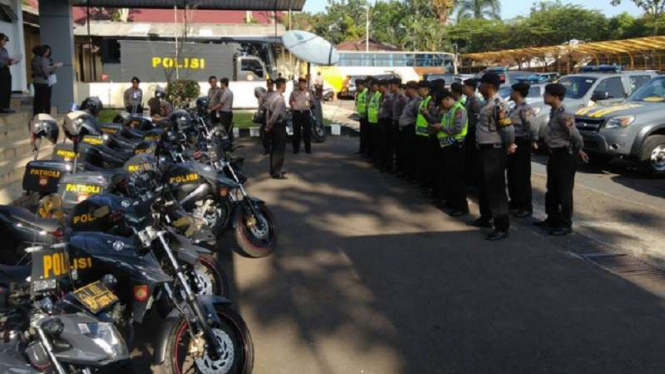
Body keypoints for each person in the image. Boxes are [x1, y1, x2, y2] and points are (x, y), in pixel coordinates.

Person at [535, 83, 588, 236]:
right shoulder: (553, 112)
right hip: (554, 154)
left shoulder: (564, 114)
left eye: (546, 94)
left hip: (565, 155)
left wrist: (578, 150)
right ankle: (552, 218)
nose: (544, 96)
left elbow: (575, 136)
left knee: (564, 191)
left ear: (555, 96)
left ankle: (565, 224)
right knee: (552, 188)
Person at [468, 72, 516, 241]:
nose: (478, 86)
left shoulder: (498, 105)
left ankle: (502, 226)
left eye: (481, 84)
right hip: (484, 150)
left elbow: (508, 129)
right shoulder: (487, 103)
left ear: (488, 85)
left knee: (496, 190)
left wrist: (509, 144)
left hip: (494, 151)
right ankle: (486, 217)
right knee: (484, 185)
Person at [429, 89, 469, 217]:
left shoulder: (459, 110)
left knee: (456, 177)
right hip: (446, 145)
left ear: (448, 99)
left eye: (442, 103)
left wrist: (441, 127)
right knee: (449, 176)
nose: (441, 106)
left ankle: (461, 206)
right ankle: (451, 202)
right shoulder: (448, 110)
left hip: (455, 146)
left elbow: (457, 128)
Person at [507, 82, 538, 218]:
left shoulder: (525, 108)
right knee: (513, 174)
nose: (510, 93)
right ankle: (515, 202)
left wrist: (534, 140)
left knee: (522, 175)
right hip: (513, 142)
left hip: (522, 142)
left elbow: (532, 125)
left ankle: (525, 206)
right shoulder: (515, 108)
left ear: (517, 92)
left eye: (512, 90)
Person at [398, 81, 421, 180]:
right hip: (405, 129)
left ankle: (411, 174)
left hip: (411, 129)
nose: (406, 91)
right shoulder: (409, 100)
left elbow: (417, 116)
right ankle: (406, 172)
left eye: (408, 88)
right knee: (405, 151)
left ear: (414, 89)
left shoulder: (417, 101)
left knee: (411, 152)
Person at [266, 78, 288, 179]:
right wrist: (269, 125)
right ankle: (277, 172)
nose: (286, 86)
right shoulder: (279, 99)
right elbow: (275, 114)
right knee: (279, 150)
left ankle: (273, 169)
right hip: (278, 125)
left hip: (274, 126)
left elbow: (267, 112)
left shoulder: (272, 96)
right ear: (281, 85)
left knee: (274, 149)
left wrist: (268, 124)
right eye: (285, 84)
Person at [31, 45, 62, 116]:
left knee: (37, 99)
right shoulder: (43, 60)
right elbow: (46, 72)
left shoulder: (34, 59)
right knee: (45, 100)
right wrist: (55, 66)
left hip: (36, 81)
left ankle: (36, 114)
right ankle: (45, 114)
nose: (47, 53)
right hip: (44, 81)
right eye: (46, 51)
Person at [463, 79, 481, 190]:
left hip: (473, 132)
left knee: (472, 158)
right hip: (468, 131)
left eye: (465, 86)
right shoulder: (468, 100)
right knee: (468, 158)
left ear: (470, 88)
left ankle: (473, 183)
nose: (463, 88)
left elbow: (477, 118)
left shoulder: (475, 101)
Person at [414, 81, 433, 185]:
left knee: (426, 161)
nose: (418, 90)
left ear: (426, 89)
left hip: (426, 135)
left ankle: (426, 182)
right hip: (421, 134)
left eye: (419, 88)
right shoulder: (423, 101)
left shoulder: (430, 101)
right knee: (421, 159)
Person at [289, 77, 315, 154]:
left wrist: (309, 105)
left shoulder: (308, 93)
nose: (302, 85)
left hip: (305, 113)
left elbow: (312, 101)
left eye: (303, 83)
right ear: (298, 84)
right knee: (296, 132)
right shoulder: (294, 93)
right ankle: (296, 149)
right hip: (296, 113)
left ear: (305, 84)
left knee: (307, 132)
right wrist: (292, 105)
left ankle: (308, 149)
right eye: (300, 83)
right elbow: (290, 101)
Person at [391, 80, 408, 175]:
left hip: (400, 124)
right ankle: (397, 166)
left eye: (392, 85)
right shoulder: (394, 96)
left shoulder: (402, 98)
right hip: (395, 122)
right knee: (396, 147)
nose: (390, 87)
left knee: (401, 147)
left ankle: (400, 168)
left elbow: (404, 112)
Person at [378, 79, 394, 171]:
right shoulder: (382, 96)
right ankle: (382, 163)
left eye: (380, 87)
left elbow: (392, 111)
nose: (379, 89)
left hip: (387, 122)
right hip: (381, 121)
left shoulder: (389, 97)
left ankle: (388, 165)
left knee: (387, 144)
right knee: (382, 143)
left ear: (384, 86)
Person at [0, 33, 18, 114]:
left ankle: (6, 106)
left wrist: (12, 61)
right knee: (1, 89)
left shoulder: (4, 50)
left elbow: (6, 59)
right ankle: (1, 107)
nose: (5, 42)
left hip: (6, 70)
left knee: (7, 88)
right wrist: (7, 62)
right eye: (3, 40)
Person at [258, 79, 276, 155]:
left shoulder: (276, 94)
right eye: (269, 85)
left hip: (275, 112)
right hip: (266, 113)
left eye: (271, 85)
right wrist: (260, 114)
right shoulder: (263, 95)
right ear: (267, 85)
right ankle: (266, 149)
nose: (270, 86)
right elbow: (260, 105)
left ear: (273, 85)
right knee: (265, 132)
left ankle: (275, 148)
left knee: (275, 131)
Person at [367, 79, 382, 164]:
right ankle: (373, 157)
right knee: (372, 141)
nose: (371, 88)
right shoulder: (374, 94)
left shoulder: (379, 94)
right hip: (371, 120)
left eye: (373, 86)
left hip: (377, 121)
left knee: (377, 142)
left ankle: (376, 158)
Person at [355, 79, 369, 156]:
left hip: (366, 116)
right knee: (362, 134)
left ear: (362, 85)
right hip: (361, 115)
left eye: (358, 86)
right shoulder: (359, 93)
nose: (357, 87)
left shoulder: (366, 92)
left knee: (365, 135)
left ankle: (365, 150)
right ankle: (361, 149)